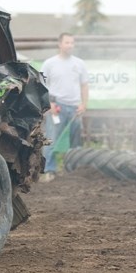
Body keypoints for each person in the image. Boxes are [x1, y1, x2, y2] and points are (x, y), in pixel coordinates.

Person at [41, 32, 89, 180]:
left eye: (72, 43)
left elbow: (84, 85)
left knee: (76, 140)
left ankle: (74, 169)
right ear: (60, 44)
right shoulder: (49, 64)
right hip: (57, 107)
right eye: (67, 42)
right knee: (51, 138)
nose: (70, 45)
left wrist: (84, 104)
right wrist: (49, 104)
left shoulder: (79, 64)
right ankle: (49, 170)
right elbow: (42, 86)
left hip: (75, 107)